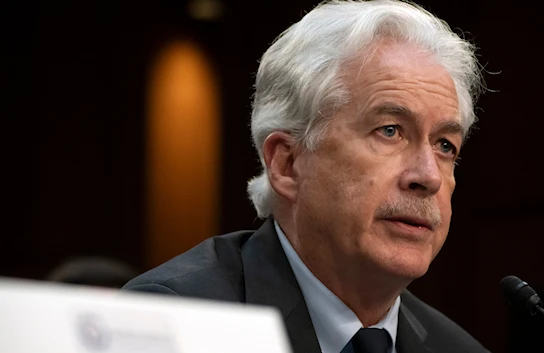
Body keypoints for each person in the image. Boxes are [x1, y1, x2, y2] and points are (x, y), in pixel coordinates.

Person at [124, 1, 488, 352]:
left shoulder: (457, 347)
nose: (429, 176)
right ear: (287, 164)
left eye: (445, 145)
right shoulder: (175, 326)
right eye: (390, 130)